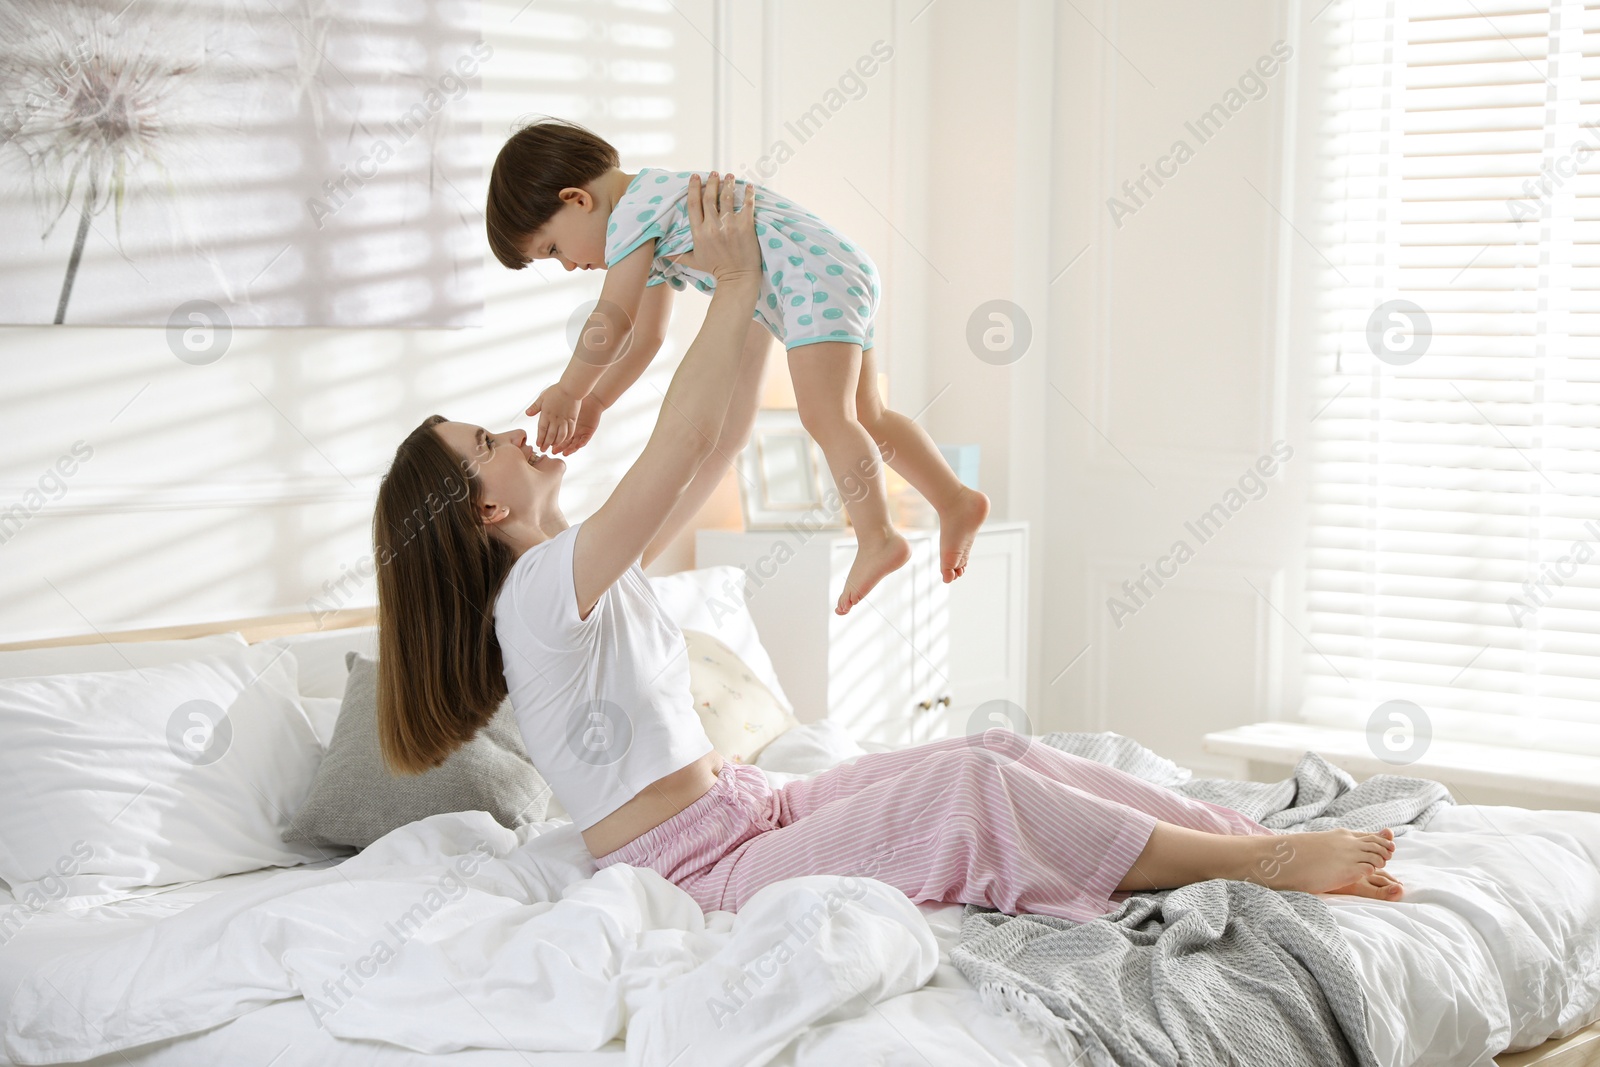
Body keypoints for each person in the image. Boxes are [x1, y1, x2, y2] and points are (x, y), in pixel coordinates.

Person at [372, 171, 1403, 926]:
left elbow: (715, 442)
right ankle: (1266, 861)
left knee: (982, 749)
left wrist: (764, 288)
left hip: (743, 806)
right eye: (483, 445)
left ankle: (1223, 828)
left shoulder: (577, 568)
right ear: (480, 514)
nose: (509, 431)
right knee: (968, 798)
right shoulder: (542, 594)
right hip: (692, 867)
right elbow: (679, 439)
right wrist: (730, 287)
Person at [484, 117, 991, 615]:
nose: (571, 266)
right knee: (868, 415)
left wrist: (570, 389)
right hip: (834, 269)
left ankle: (878, 536)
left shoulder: (633, 213)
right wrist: (597, 400)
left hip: (809, 281)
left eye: (554, 249)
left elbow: (613, 317)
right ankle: (954, 500)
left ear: (576, 199)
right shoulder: (651, 207)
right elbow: (647, 335)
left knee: (826, 416)